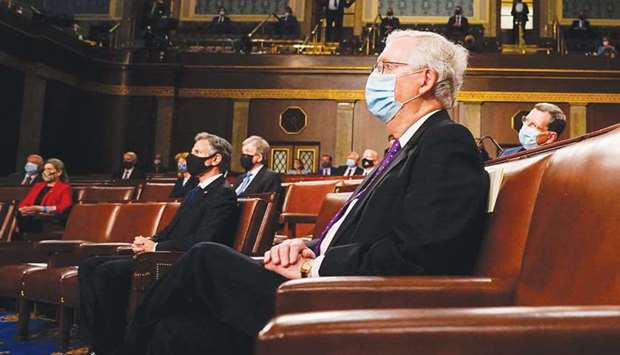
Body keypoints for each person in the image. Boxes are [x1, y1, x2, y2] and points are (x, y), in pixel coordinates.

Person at [122, 29, 489, 355]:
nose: (373, 77)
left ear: (425, 79)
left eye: (385, 67)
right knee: (177, 333)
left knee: (204, 259)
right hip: (328, 285)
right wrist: (307, 246)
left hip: (348, 304)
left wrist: (314, 266)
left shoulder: (445, 142)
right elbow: (365, 231)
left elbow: (419, 256)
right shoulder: (408, 146)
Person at [79, 133, 240, 355]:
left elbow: (204, 241)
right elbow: (172, 229)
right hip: (163, 253)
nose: (189, 159)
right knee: (89, 265)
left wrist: (155, 248)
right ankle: (99, 344)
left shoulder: (223, 194)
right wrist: (151, 240)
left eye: (197, 154)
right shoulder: (195, 191)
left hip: (178, 263)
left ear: (215, 159)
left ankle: (114, 348)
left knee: (107, 272)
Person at [17, 159, 73, 234]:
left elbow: (64, 206)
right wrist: (24, 209)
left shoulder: (64, 188)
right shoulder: (38, 186)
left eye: (49, 169)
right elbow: (25, 202)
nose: (45, 172)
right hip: (30, 216)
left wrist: (42, 209)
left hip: (48, 219)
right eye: (44, 169)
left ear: (59, 172)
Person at [499, 103, 566, 158]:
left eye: (533, 125)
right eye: (525, 120)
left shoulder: (560, 162)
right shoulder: (506, 154)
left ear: (550, 137)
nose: (525, 126)